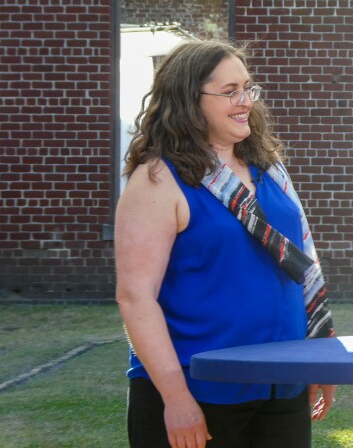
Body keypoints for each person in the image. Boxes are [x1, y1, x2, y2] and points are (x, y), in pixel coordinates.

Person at [115, 39, 335, 448]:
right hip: (200, 390)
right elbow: (135, 297)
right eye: (229, 91)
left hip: (282, 384)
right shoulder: (158, 179)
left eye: (248, 88)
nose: (245, 101)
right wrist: (176, 398)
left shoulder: (268, 168)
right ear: (188, 100)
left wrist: (319, 352)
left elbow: (302, 266)